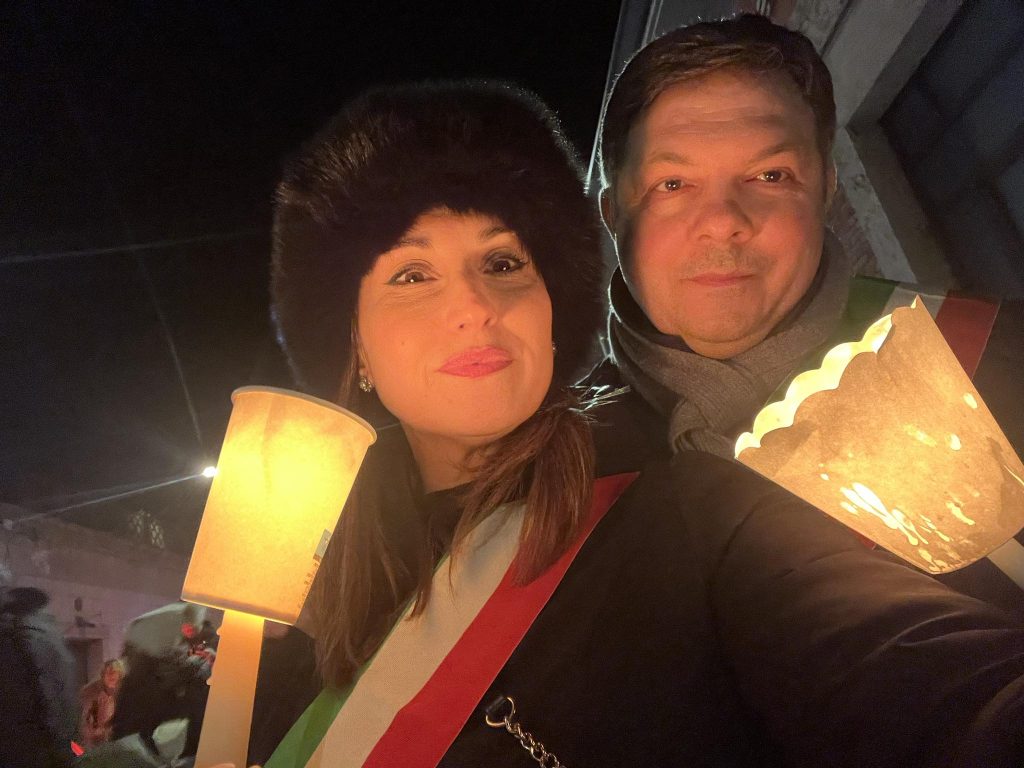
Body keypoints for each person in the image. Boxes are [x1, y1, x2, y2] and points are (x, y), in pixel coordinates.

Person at [253, 79, 1024, 767]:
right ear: (353, 344)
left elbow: (938, 689)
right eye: (412, 274)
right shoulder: (298, 598)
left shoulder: (699, 512)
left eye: (503, 263)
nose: (475, 306)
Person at [587, 12, 1024, 612]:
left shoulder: (997, 360)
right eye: (672, 184)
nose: (723, 221)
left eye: (771, 174)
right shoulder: (553, 479)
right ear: (614, 215)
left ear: (826, 189)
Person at [0, 586, 77, 767]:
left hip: (23, 745)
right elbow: (62, 699)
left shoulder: (17, 637)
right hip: (45, 746)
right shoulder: (52, 639)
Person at [79, 657, 125, 750]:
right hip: (92, 740)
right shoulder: (91, 692)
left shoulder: (124, 692)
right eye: (108, 672)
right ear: (103, 675)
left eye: (114, 672)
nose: (111, 675)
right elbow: (86, 720)